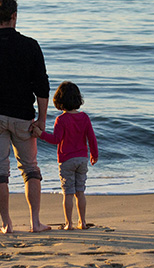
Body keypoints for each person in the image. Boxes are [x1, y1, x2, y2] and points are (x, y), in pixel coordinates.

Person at [0, 0, 51, 233]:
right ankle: (35, 222)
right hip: (23, 117)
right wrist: (42, 119)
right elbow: (42, 86)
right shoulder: (30, 45)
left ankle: (7, 224)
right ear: (14, 16)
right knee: (30, 168)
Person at [31, 81, 98, 230]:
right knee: (80, 191)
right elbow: (91, 138)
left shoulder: (61, 120)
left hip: (66, 160)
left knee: (68, 193)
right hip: (82, 159)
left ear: (59, 100)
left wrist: (40, 134)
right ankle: (83, 222)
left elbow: (56, 140)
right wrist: (94, 154)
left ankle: (69, 223)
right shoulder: (85, 117)